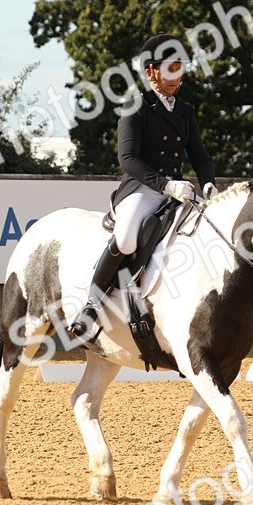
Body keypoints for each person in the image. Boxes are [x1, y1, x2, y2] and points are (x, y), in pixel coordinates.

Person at [68, 33, 217, 339]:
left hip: (178, 191)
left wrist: (210, 185)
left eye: (181, 68)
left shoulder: (185, 111)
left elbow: (200, 156)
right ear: (151, 71)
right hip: (141, 189)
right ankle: (91, 305)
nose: (178, 75)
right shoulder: (135, 108)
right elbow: (128, 159)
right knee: (124, 239)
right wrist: (166, 185)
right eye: (171, 68)